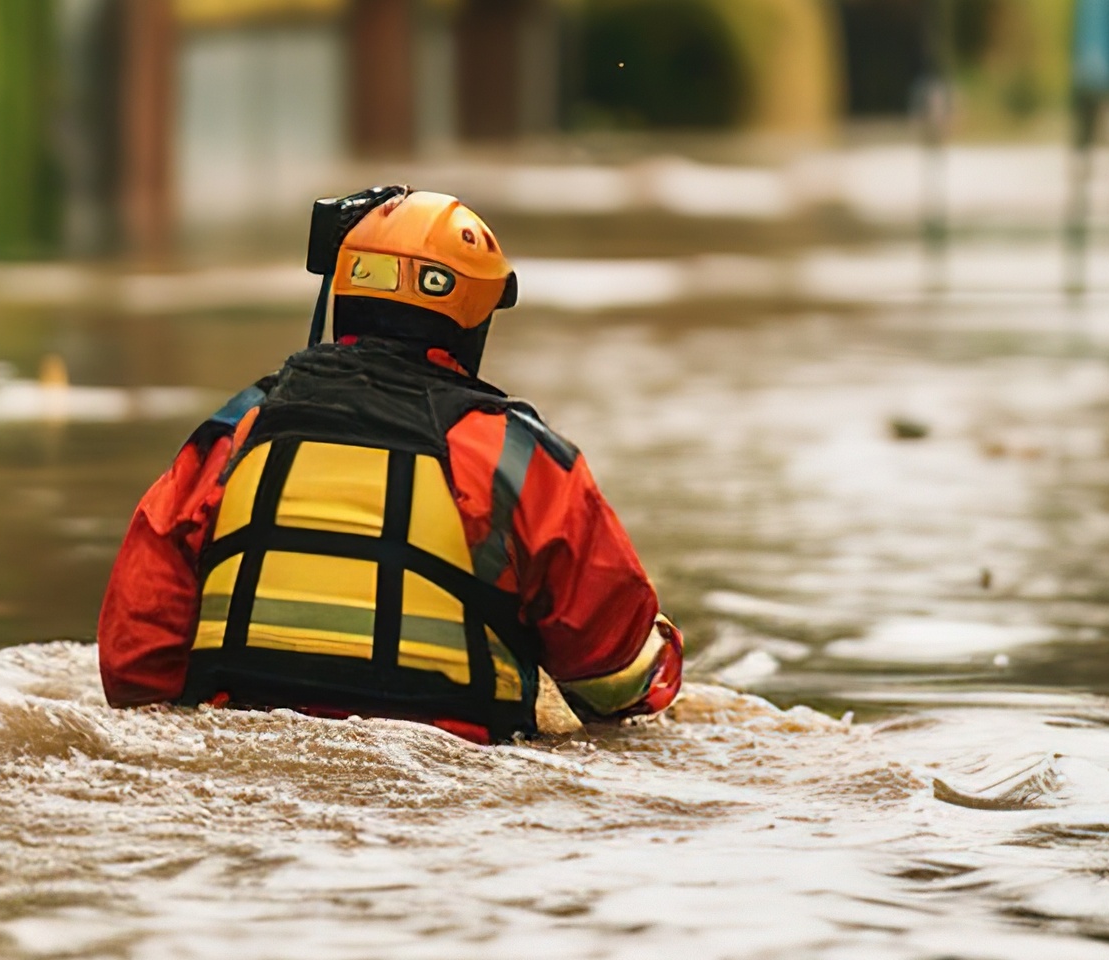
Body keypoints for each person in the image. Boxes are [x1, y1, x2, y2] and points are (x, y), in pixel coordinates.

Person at [95, 186, 684, 743]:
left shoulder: (233, 433)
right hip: (447, 784)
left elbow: (135, 667)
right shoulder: (517, 456)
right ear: (476, 318)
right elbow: (614, 678)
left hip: (237, 772)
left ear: (342, 297)